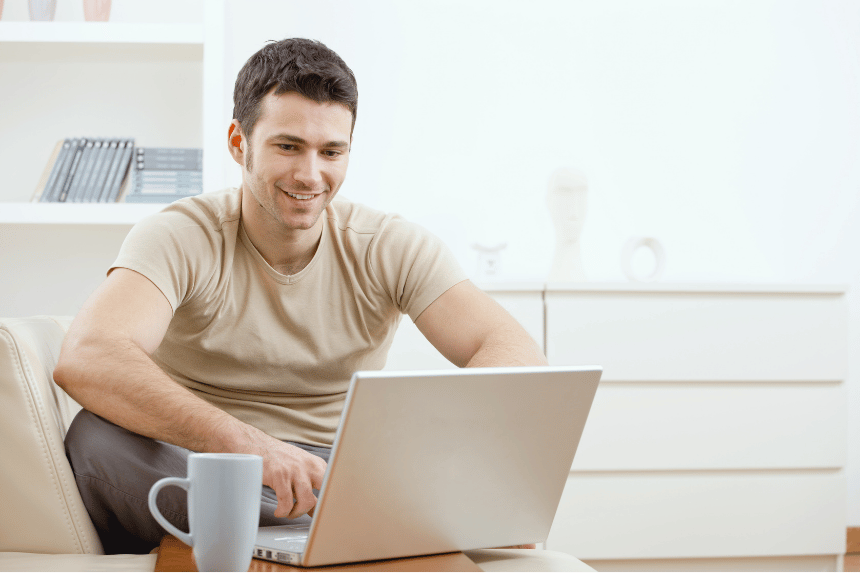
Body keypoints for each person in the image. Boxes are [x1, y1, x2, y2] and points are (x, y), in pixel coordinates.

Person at [55, 38, 547, 554]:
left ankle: (301, 525)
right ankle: (348, 529)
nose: (311, 175)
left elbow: (513, 351)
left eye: (331, 152)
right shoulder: (180, 235)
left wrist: (432, 454)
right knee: (96, 442)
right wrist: (250, 448)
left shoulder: (389, 246)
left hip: (340, 470)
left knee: (418, 478)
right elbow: (88, 355)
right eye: (288, 146)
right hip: (206, 463)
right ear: (238, 143)